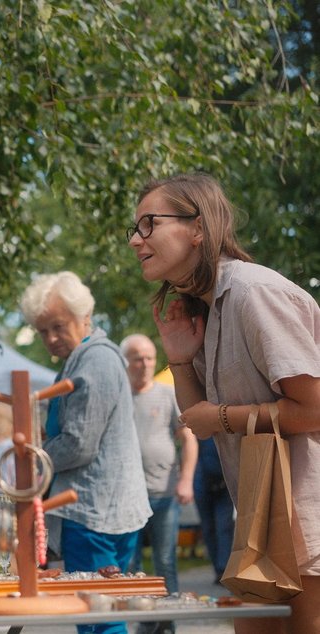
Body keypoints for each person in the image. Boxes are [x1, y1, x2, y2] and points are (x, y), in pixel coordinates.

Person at [128, 172, 320, 633]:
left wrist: (221, 416)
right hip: (262, 523)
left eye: (149, 224)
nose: (136, 240)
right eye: (134, 229)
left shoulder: (254, 293)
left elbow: (315, 408)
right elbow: (202, 423)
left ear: (198, 228)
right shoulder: (211, 307)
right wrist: (179, 360)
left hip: (307, 523)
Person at [20, 271, 151, 634]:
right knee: (99, 613)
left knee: (100, 619)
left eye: (58, 327)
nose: (50, 338)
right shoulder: (86, 357)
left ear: (84, 317)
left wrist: (30, 462)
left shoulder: (95, 361)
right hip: (100, 508)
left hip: (95, 513)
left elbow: (79, 443)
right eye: (43, 330)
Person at [122, 334, 198, 634]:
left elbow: (188, 438)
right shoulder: (119, 396)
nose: (145, 364)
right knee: (132, 565)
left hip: (164, 495)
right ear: (126, 361)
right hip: (129, 498)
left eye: (150, 357)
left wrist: (186, 480)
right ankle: (145, 621)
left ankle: (166, 624)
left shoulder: (167, 394)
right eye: (138, 358)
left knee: (166, 561)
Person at [193, 437, 234, 584]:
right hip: (202, 483)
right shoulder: (201, 426)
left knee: (224, 527)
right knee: (208, 528)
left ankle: (224, 569)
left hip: (225, 483)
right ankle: (218, 568)